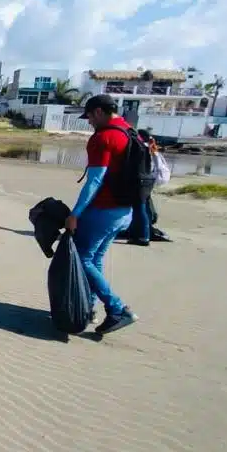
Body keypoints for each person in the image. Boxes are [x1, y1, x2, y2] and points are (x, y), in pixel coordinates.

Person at [64, 94, 139, 334]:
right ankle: (88, 308)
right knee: (94, 260)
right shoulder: (130, 133)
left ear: (98, 112)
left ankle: (117, 308)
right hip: (124, 211)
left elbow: (95, 181)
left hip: (103, 210)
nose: (89, 123)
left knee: (83, 258)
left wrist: (75, 214)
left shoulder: (104, 138)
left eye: (89, 117)